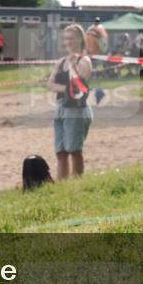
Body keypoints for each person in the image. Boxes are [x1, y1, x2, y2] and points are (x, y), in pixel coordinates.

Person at [47, 24, 93, 178]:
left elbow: (81, 84)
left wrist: (73, 66)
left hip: (77, 110)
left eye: (71, 38)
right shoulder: (61, 61)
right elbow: (50, 84)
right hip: (60, 107)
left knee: (74, 150)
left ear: (80, 39)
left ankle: (77, 183)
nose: (67, 42)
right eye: (65, 38)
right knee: (60, 152)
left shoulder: (84, 60)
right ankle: (62, 185)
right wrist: (66, 88)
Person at [85, 18, 109, 103]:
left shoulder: (89, 29)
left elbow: (86, 40)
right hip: (97, 53)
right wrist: (103, 51)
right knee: (97, 69)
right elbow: (104, 42)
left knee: (91, 70)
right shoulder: (101, 29)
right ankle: (98, 90)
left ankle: (91, 87)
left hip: (89, 53)